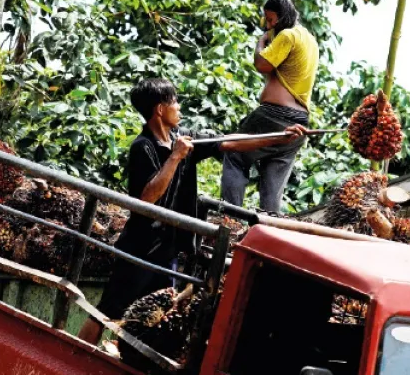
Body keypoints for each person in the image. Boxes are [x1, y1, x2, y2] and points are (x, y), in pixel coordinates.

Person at [78, 78, 306, 344]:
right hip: (140, 247)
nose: (179, 107)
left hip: (169, 248)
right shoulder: (144, 147)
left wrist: (277, 137)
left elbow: (229, 142)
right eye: (174, 101)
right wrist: (175, 157)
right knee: (107, 312)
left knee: (156, 314)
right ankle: (75, 355)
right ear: (160, 109)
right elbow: (147, 197)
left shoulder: (184, 139)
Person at [221, 0, 318, 213]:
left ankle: (230, 218)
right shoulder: (309, 39)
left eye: (272, 20)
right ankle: (269, 224)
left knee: (234, 153)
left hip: (274, 117)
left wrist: (261, 43)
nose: (268, 25)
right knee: (273, 184)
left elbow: (262, 64)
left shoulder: (288, 35)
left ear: (283, 17)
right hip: (300, 121)